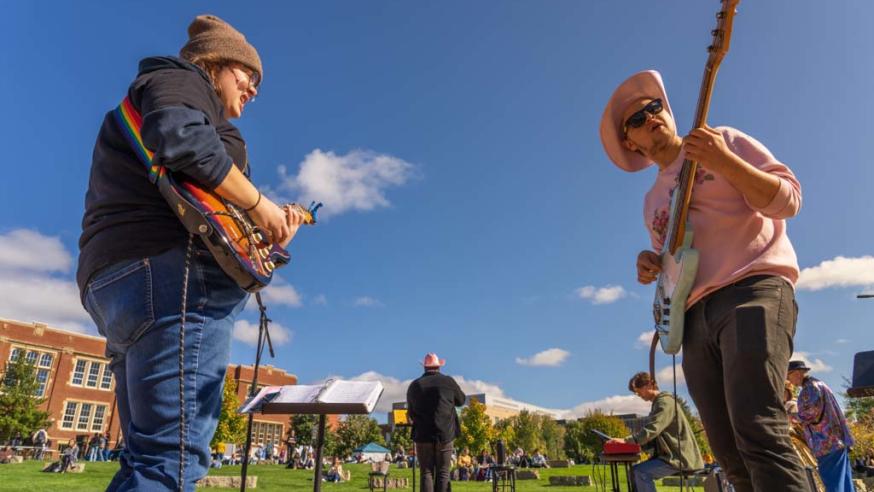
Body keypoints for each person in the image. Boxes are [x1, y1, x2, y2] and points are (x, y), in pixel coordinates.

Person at [76, 14, 308, 491]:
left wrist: (262, 231)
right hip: (170, 279)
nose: (254, 89)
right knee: (171, 463)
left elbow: (195, 188)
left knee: (146, 460)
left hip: (125, 280)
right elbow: (181, 138)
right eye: (247, 74)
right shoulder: (180, 78)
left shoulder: (173, 92)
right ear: (214, 63)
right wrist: (261, 206)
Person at [600, 70, 807, 491]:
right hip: (693, 316)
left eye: (654, 107)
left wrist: (723, 161)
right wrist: (651, 263)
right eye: (637, 119)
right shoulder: (652, 202)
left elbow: (788, 201)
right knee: (727, 449)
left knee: (758, 426)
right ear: (630, 143)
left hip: (753, 288)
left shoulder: (722, 140)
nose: (650, 117)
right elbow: (675, 264)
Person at [608, 372, 703, 492]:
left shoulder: (665, 402)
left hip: (680, 458)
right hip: (670, 457)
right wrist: (631, 446)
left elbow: (653, 429)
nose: (637, 394)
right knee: (634, 472)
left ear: (649, 385)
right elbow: (654, 437)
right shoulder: (658, 403)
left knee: (640, 472)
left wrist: (627, 441)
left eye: (638, 390)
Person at [788, 360, 856, 491]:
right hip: (835, 441)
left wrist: (790, 417)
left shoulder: (810, 388)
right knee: (845, 484)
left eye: (788, 376)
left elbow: (810, 413)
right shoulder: (817, 384)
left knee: (833, 484)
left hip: (825, 443)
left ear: (797, 373)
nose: (789, 381)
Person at [406, 352, 466, 492]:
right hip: (445, 433)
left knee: (426, 473)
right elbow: (461, 400)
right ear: (439, 366)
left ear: (424, 367)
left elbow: (411, 412)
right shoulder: (448, 382)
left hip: (423, 434)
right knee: (443, 472)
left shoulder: (415, 385)